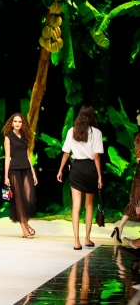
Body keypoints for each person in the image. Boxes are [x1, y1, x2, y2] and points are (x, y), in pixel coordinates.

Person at [57, 104, 104, 250]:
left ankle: (76, 242)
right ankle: (87, 239)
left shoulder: (72, 131)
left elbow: (66, 153)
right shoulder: (97, 133)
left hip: (76, 167)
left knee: (75, 206)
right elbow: (96, 156)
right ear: (92, 116)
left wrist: (60, 170)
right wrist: (100, 176)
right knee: (88, 204)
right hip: (90, 168)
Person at [2, 113, 38, 238]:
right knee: (18, 200)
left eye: (20, 122)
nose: (17, 124)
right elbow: (7, 157)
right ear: (12, 123)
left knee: (30, 199)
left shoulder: (25, 137)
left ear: (23, 124)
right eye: (15, 121)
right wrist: (6, 176)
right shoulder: (8, 137)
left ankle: (26, 224)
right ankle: (24, 228)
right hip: (14, 170)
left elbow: (28, 156)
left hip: (26, 169)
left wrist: (33, 173)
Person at [111, 133, 140, 245]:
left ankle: (119, 228)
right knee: (135, 200)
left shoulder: (138, 137)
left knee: (134, 199)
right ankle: (120, 228)